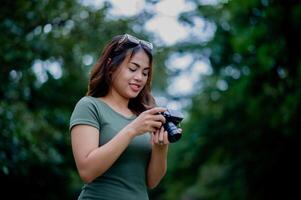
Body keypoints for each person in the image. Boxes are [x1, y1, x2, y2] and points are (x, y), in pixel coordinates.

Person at [69, 33, 182, 200]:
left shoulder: (144, 116)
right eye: (133, 68)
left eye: (145, 72)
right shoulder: (90, 106)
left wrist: (160, 148)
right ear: (111, 66)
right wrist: (132, 130)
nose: (139, 78)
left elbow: (151, 182)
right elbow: (87, 171)